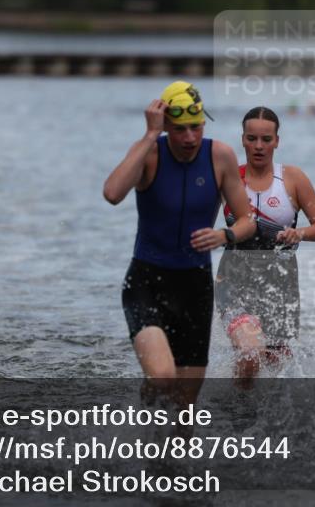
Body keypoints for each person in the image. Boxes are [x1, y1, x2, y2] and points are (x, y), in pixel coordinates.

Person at [103, 81, 256, 401]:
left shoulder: (220, 156)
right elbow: (113, 193)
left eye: (196, 128)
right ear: (166, 125)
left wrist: (223, 235)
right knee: (162, 377)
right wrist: (149, 135)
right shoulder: (149, 153)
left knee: (184, 407)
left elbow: (247, 222)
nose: (189, 138)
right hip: (147, 282)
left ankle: (156, 442)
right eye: (180, 129)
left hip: (194, 288)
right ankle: (145, 413)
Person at [216, 107, 315, 383]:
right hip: (234, 278)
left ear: (277, 141)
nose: (258, 146)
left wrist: (300, 233)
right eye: (252, 138)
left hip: (280, 284)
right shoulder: (227, 178)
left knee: (272, 366)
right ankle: (237, 413)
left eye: (266, 139)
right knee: (249, 351)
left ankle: (242, 408)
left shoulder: (293, 179)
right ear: (242, 139)